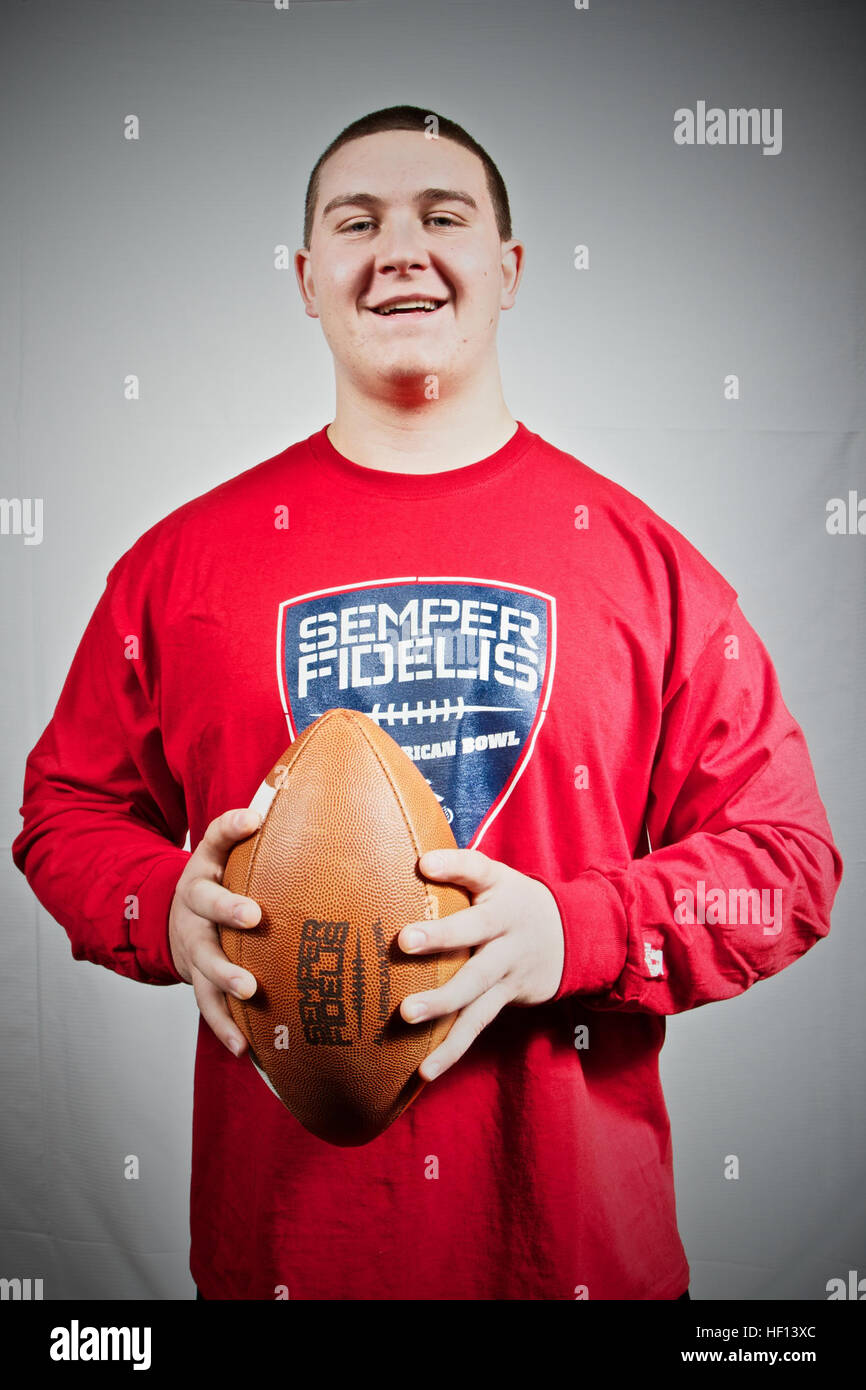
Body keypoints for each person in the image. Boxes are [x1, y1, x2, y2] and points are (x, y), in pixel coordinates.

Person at [12, 105, 843, 1301]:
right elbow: (65, 808)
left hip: (572, 1261)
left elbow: (786, 863)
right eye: (358, 221)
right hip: (287, 1260)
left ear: (506, 270)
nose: (399, 248)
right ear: (307, 279)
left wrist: (576, 931)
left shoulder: (644, 562)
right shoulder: (180, 565)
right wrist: (160, 904)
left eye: (440, 216)